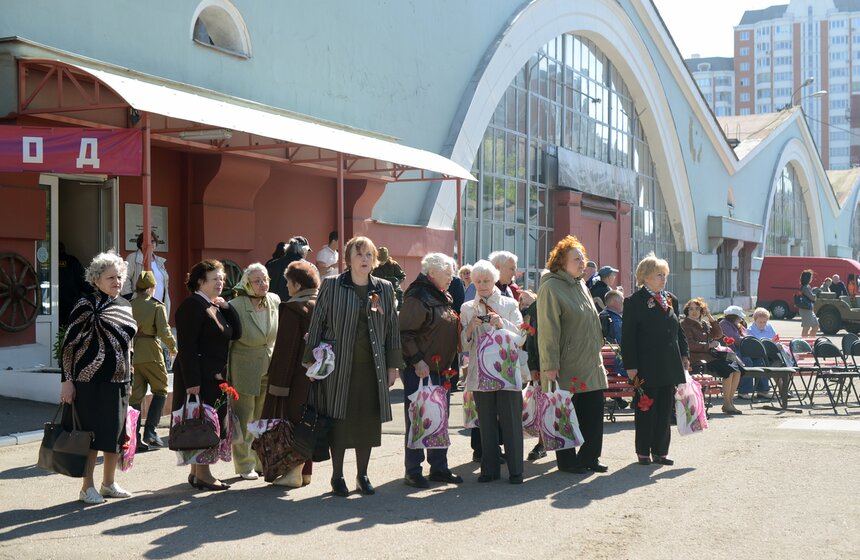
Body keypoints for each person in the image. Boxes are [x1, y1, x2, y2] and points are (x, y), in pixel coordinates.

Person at [304, 236, 403, 497]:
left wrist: (393, 366)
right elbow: (317, 324)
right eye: (359, 255)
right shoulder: (332, 285)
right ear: (348, 259)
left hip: (373, 368)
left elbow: (392, 328)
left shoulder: (384, 288)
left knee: (367, 423)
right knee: (340, 422)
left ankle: (363, 475)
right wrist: (311, 363)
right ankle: (337, 476)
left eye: (369, 255)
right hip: (338, 367)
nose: (365, 260)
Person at [59, 251, 137, 504]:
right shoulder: (87, 304)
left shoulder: (125, 305)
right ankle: (87, 487)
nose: (116, 281)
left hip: (120, 379)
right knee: (90, 436)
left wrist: (131, 375)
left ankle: (109, 483)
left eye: (119, 277)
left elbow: (128, 346)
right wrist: (67, 380)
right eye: (110, 277)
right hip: (89, 381)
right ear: (96, 279)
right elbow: (69, 345)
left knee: (115, 435)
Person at [538, 236, 609, 474]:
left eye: (583, 258)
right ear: (561, 262)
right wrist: (550, 363)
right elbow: (548, 329)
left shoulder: (580, 284)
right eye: (576, 259)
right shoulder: (551, 287)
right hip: (566, 364)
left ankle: (590, 457)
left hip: (590, 360)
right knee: (565, 412)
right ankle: (567, 461)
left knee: (593, 410)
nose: (582, 263)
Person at [173, 259, 243, 491]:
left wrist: (227, 307)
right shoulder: (192, 305)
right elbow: (187, 347)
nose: (220, 282)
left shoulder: (212, 305)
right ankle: (204, 473)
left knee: (204, 422)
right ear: (200, 281)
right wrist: (192, 382)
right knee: (204, 424)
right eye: (215, 279)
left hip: (214, 374)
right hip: (199, 376)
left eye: (222, 279)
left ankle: (196, 472)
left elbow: (236, 333)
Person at [399, 253, 462, 488]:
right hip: (422, 370)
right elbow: (406, 333)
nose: (452, 278)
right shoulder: (418, 295)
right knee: (417, 418)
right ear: (432, 272)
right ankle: (413, 470)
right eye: (448, 273)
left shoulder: (439, 294)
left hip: (439, 369)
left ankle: (439, 467)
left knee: (439, 418)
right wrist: (417, 360)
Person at [621, 252, 689, 466]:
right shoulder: (634, 302)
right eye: (659, 274)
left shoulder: (670, 299)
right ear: (646, 276)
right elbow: (628, 337)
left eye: (664, 274)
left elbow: (678, 330)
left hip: (669, 364)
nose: (663, 278)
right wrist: (630, 366)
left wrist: (685, 354)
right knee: (646, 408)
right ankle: (643, 451)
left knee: (664, 410)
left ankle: (661, 451)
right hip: (646, 366)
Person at [460, 259, 524, 484]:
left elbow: (522, 337)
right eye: (477, 281)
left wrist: (501, 323)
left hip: (506, 370)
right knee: (485, 422)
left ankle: (516, 470)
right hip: (480, 371)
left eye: (486, 280)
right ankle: (489, 469)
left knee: (511, 421)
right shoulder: (467, 308)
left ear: (495, 279)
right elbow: (464, 345)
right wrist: (470, 328)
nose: (482, 285)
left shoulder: (509, 304)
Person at [262, 260, 320, 487]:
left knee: (293, 422)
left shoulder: (293, 309)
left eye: (288, 282)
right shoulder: (323, 304)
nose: (286, 287)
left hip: (295, 378)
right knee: (309, 422)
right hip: (319, 375)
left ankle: (293, 473)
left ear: (297, 284)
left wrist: (277, 385)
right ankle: (306, 473)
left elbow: (285, 351)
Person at [227, 263, 281, 480]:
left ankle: (260, 460)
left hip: (269, 365)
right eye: (257, 281)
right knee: (244, 417)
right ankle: (244, 464)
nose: (263, 284)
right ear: (247, 283)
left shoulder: (275, 300)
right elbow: (229, 343)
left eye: (265, 279)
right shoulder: (235, 305)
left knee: (262, 417)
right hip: (244, 368)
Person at [129, 271, 177, 452]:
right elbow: (164, 331)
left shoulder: (129, 305)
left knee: (136, 396)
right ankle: (150, 431)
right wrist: (173, 348)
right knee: (161, 389)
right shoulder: (157, 306)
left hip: (133, 353)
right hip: (151, 352)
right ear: (152, 288)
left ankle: (134, 437)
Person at [681, 298, 741, 414]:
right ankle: (727, 404)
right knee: (728, 370)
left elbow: (718, 334)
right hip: (697, 359)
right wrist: (708, 345)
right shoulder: (685, 324)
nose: (694, 311)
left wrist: (710, 317)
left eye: (697, 309)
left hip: (710, 357)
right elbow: (690, 345)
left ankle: (729, 402)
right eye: (691, 309)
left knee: (737, 370)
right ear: (687, 311)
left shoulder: (703, 323)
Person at [719, 305, 769, 400]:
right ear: (733, 317)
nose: (740, 319)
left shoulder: (738, 325)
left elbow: (746, 335)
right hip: (728, 353)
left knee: (759, 360)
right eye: (739, 317)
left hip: (741, 350)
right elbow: (735, 339)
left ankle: (762, 390)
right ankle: (744, 391)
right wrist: (748, 340)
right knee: (747, 362)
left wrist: (748, 339)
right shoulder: (724, 324)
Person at [525, 269, 549, 461]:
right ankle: (542, 443)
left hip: (568, 364)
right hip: (541, 363)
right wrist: (533, 366)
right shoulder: (536, 307)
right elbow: (531, 340)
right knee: (541, 404)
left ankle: (565, 444)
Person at [123, 231, 170, 315]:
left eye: (153, 241)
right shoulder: (133, 258)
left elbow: (164, 283)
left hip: (160, 304)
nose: (150, 244)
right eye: (147, 241)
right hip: (140, 303)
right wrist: (129, 297)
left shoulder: (159, 261)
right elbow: (125, 277)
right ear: (141, 243)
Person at [600, 290, 629, 409]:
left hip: (608, 362)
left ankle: (617, 396)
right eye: (622, 300)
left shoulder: (602, 315)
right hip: (617, 361)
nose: (623, 303)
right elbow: (623, 341)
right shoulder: (615, 320)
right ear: (615, 302)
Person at [58, 242, 91, 327]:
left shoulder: (50, 261)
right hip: (71, 301)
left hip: (54, 302)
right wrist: (96, 291)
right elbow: (83, 281)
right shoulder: (72, 261)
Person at [267, 236, 311, 301]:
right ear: (304, 250)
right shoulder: (309, 267)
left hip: (274, 306)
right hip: (296, 308)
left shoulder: (272, 264)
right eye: (307, 251)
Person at [798, 270, 819, 338]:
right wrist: (816, 293)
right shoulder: (805, 287)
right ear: (807, 278)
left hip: (809, 309)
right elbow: (812, 298)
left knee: (816, 325)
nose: (812, 279)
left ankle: (811, 340)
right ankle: (805, 342)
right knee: (806, 327)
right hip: (805, 309)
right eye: (811, 277)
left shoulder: (807, 286)